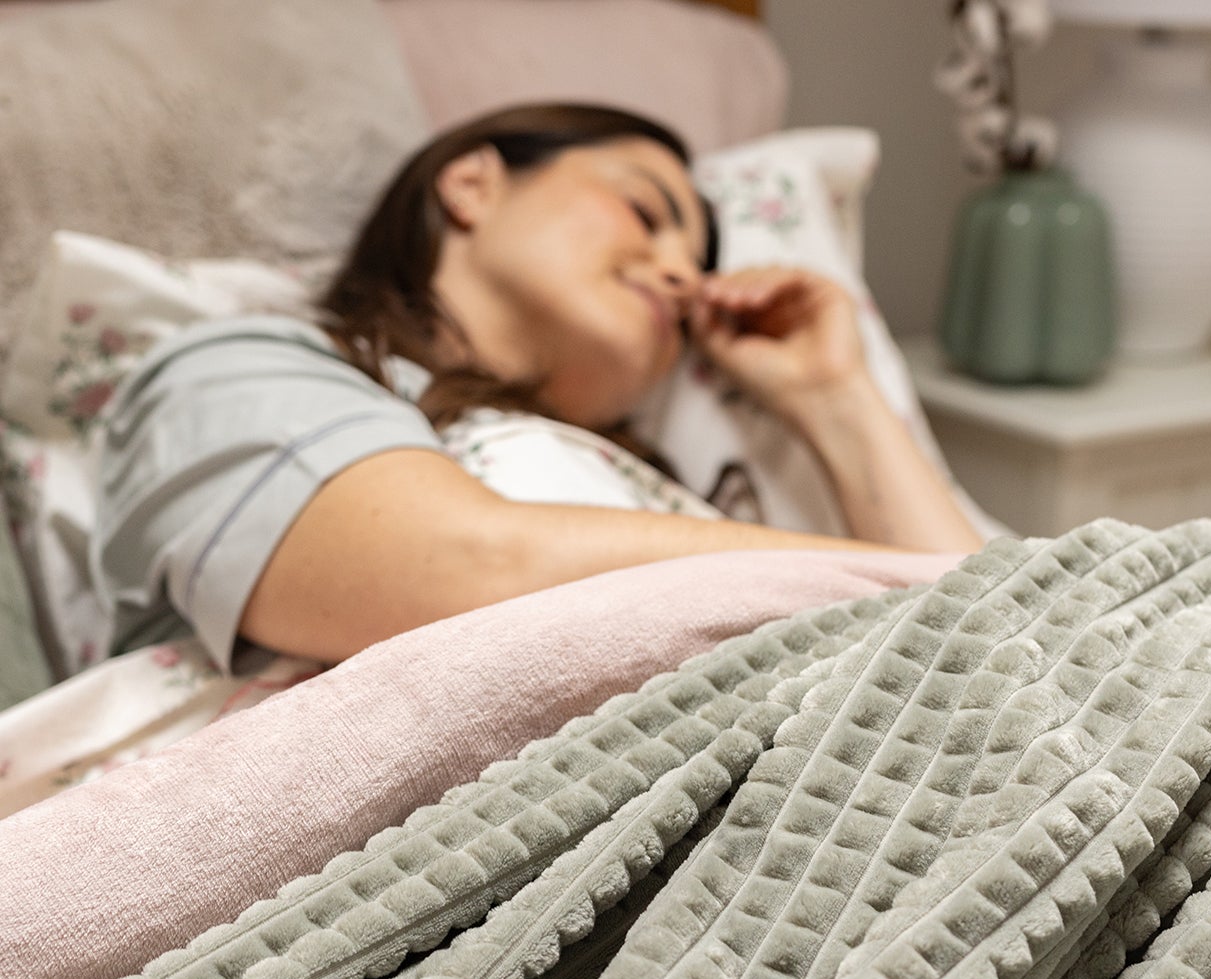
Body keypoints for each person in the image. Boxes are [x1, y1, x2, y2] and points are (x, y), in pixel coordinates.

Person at [95, 104, 983, 671]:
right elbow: (466, 567)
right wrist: (920, 590)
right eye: (646, 212)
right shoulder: (235, 373)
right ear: (472, 184)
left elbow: (998, 650)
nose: (682, 273)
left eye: (697, 259)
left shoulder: (652, 494)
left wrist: (835, 397)